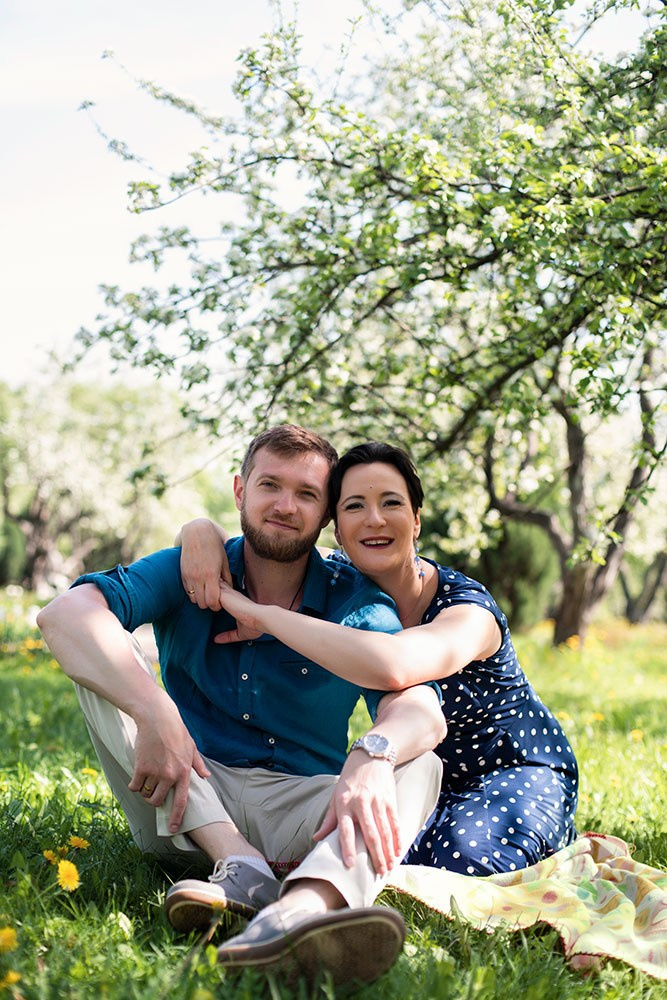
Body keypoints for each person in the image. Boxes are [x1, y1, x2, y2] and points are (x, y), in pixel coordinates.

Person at [37, 427, 444, 989]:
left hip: (303, 812)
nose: (284, 505)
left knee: (418, 761)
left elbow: (423, 708)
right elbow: (62, 616)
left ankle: (302, 906)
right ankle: (238, 861)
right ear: (239, 491)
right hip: (186, 800)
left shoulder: (354, 598)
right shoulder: (189, 566)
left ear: (325, 513)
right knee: (107, 652)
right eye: (269, 485)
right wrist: (156, 711)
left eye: (305, 494)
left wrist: (372, 755)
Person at [181, 441, 578, 878]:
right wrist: (199, 530)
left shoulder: (467, 611)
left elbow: (396, 663)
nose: (374, 519)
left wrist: (263, 617)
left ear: (417, 520)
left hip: (510, 768)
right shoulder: (344, 593)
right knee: (372, 850)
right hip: (418, 778)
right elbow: (258, 543)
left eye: (391, 503)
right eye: (354, 506)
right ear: (335, 528)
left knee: (459, 866)